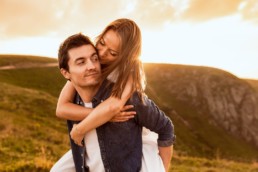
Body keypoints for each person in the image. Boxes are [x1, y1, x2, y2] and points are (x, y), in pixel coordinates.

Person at [51, 19, 175, 172]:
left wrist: (80, 129)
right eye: (102, 43)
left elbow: (114, 106)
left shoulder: (129, 75)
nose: (101, 54)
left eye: (113, 53)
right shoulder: (83, 73)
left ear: (125, 57)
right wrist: (103, 116)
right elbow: (62, 108)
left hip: (136, 144)